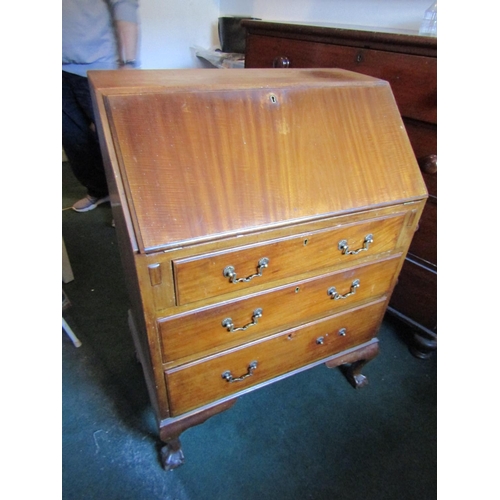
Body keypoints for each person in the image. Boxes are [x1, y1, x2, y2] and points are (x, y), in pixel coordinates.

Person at [62, 0, 139, 212]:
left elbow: (125, 6)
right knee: (73, 138)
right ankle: (98, 190)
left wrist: (129, 64)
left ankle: (129, 209)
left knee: (115, 140)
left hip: (99, 68)